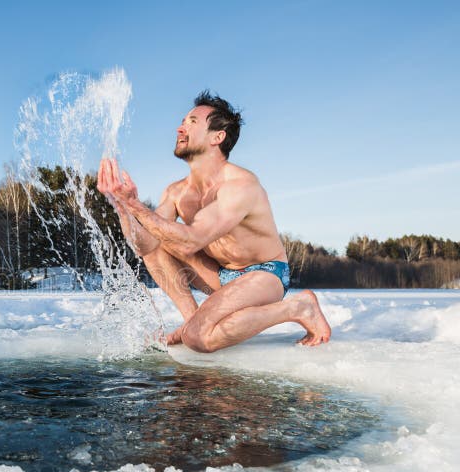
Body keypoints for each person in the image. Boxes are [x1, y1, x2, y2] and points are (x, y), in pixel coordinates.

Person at [97, 90, 331, 353]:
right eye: (183, 121)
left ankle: (298, 307)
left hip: (264, 274)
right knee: (157, 245)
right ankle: (192, 321)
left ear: (217, 137)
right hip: (220, 275)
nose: (180, 128)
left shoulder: (240, 185)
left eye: (192, 122)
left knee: (199, 339)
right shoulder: (176, 192)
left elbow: (192, 241)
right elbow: (145, 245)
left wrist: (135, 205)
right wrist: (121, 205)